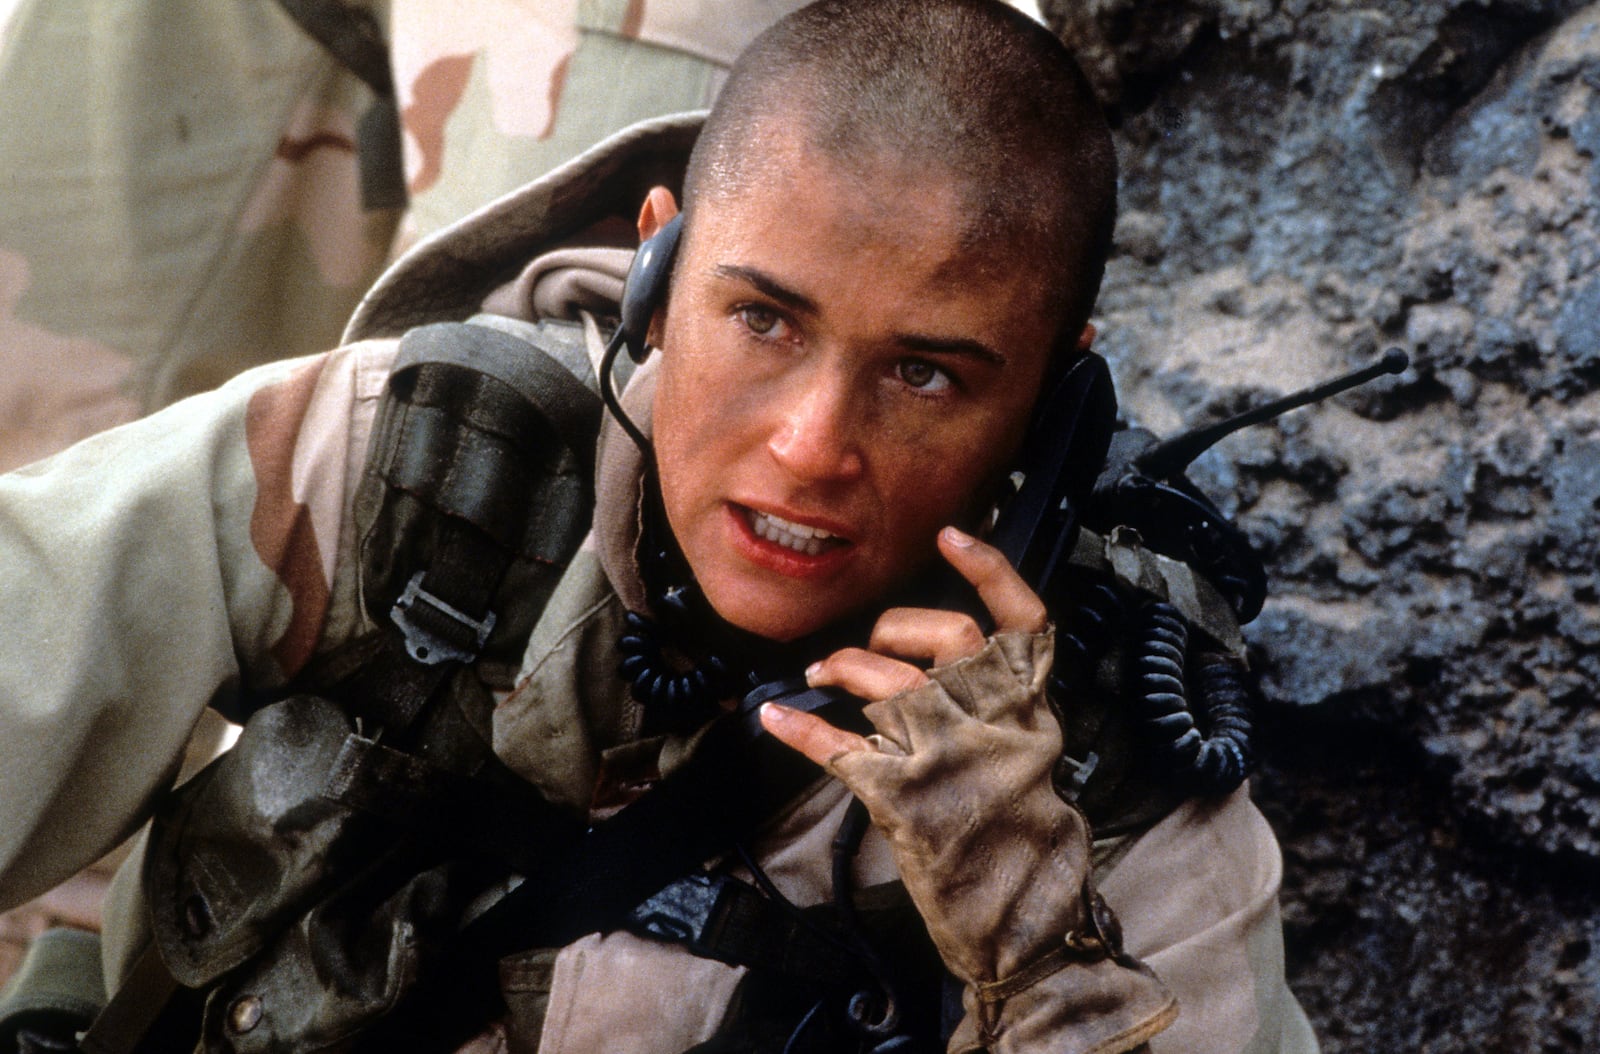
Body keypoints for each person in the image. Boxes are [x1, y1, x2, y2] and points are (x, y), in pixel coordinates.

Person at [0, 1, 1318, 1052]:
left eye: (927, 374)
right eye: (762, 317)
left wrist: (1042, 942)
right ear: (659, 260)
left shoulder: (1110, 771)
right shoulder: (421, 469)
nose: (809, 448)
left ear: (1057, 393)